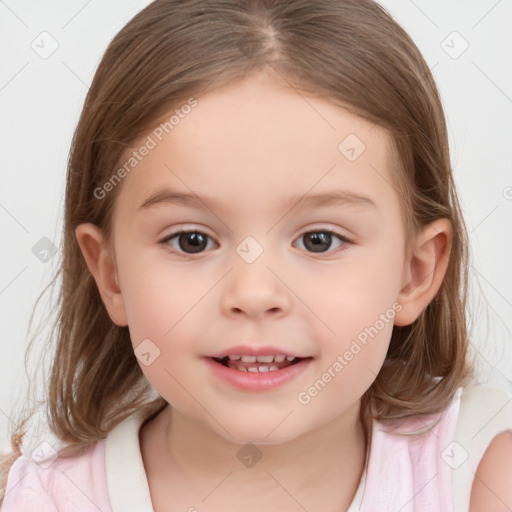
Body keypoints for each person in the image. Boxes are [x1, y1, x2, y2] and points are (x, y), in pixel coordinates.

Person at [1, 0, 511, 510]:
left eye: (319, 240)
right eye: (191, 240)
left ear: (415, 274)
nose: (254, 294)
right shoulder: (38, 498)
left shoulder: (480, 476)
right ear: (110, 275)